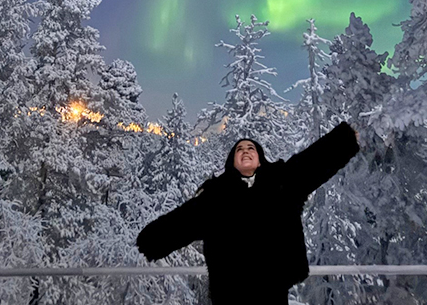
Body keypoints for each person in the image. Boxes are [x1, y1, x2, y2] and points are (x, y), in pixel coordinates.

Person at [135, 122, 360, 305]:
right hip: (230, 293)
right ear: (232, 161)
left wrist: (345, 139)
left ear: (260, 159)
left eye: (251, 148)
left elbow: (311, 163)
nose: (245, 151)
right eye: (239, 149)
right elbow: (183, 221)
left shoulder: (281, 183)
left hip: (272, 290)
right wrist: (150, 242)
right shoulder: (216, 195)